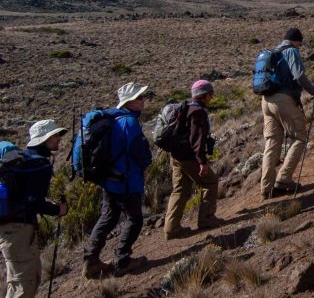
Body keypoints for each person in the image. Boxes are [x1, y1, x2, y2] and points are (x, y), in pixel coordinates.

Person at [83, 82, 153, 279]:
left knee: (108, 217)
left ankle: (91, 260)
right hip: (126, 179)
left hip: (108, 178)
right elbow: (140, 152)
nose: (143, 100)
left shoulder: (112, 119)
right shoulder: (129, 122)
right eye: (140, 97)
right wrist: (146, 163)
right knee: (134, 219)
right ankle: (122, 260)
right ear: (129, 102)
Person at [0, 120, 68, 298]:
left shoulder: (24, 160)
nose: (58, 139)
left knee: (18, 281)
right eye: (54, 136)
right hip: (19, 230)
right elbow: (33, 202)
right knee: (24, 283)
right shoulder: (39, 165)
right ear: (43, 140)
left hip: (10, 229)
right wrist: (57, 210)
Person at [260, 28, 314, 200]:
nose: (300, 46)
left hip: (266, 101)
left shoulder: (273, 52)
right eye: (300, 43)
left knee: (272, 143)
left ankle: (266, 188)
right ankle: (284, 179)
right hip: (283, 100)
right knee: (300, 137)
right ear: (295, 41)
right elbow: (299, 76)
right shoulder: (291, 52)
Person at [164, 80, 221, 240]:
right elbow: (197, 139)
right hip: (188, 157)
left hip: (176, 155)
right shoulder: (198, 111)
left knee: (180, 190)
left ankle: (171, 228)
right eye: (211, 94)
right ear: (204, 95)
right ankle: (207, 219)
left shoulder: (186, 107)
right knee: (210, 182)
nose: (212, 97)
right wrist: (202, 162)